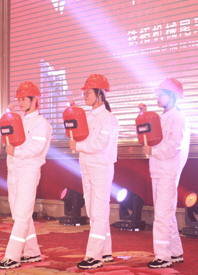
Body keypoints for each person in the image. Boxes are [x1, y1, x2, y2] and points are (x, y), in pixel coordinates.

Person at [0, 81, 52, 270]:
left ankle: (12, 256)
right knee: (19, 214)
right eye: (18, 99)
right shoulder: (18, 120)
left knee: (21, 215)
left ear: (34, 99)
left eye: (23, 99)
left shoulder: (41, 123)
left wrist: (17, 152)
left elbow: (37, 148)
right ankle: (32, 251)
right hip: (13, 171)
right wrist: (8, 118)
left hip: (28, 171)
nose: (20, 103)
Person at [69, 74, 119, 270]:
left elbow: (100, 144)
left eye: (88, 92)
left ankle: (93, 256)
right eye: (84, 92)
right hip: (87, 168)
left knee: (98, 212)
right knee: (93, 211)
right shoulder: (86, 116)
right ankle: (105, 252)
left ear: (100, 94)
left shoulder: (108, 118)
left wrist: (78, 146)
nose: (85, 96)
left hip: (101, 169)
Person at [143, 78, 191, 269]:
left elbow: (173, 147)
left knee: (162, 215)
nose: (158, 97)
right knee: (166, 213)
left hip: (168, 171)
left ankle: (163, 256)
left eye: (161, 94)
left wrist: (153, 151)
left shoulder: (178, 118)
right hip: (158, 170)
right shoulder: (162, 117)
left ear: (173, 96)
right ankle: (175, 252)